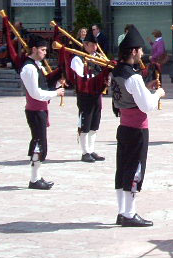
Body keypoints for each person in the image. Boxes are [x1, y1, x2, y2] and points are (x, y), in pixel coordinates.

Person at [110, 26, 165, 227]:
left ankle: (122, 211)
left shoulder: (116, 72)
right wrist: (157, 94)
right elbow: (147, 105)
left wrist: (146, 88)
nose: (142, 53)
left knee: (122, 168)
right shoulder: (132, 76)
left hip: (124, 126)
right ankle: (130, 213)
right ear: (133, 51)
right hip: (137, 129)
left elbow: (122, 97)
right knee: (135, 169)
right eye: (140, 49)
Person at [19, 34, 65, 190]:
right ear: (34, 49)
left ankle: (37, 176)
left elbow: (44, 85)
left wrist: (57, 84)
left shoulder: (37, 66)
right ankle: (34, 179)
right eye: (43, 49)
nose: (45, 52)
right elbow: (36, 93)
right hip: (35, 109)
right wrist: (55, 93)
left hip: (40, 108)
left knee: (40, 142)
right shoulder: (29, 68)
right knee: (39, 143)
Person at [66, 35, 112, 162]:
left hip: (97, 93)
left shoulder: (97, 57)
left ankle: (91, 150)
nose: (95, 47)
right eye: (92, 45)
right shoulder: (78, 59)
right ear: (85, 45)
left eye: (96, 45)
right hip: (85, 95)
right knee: (85, 122)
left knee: (95, 123)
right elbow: (81, 79)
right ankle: (85, 152)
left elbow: (102, 72)